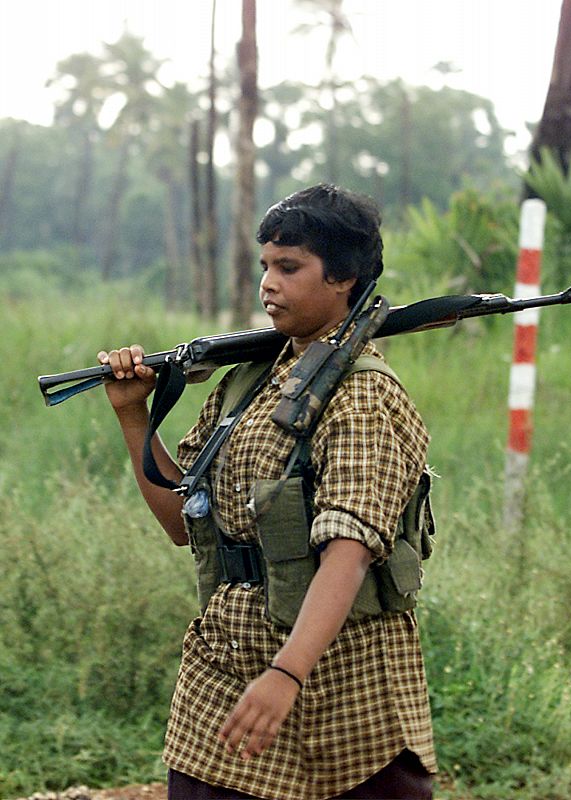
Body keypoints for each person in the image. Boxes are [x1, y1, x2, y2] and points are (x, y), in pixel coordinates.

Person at [98, 183, 437, 800]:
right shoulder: (250, 380)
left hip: (338, 679)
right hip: (226, 659)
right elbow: (182, 521)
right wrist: (133, 418)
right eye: (265, 266)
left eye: (289, 267)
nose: (269, 284)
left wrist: (287, 673)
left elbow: (350, 552)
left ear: (344, 277)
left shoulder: (362, 396)